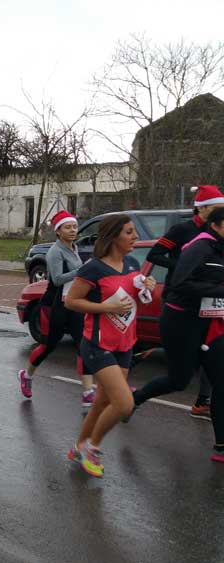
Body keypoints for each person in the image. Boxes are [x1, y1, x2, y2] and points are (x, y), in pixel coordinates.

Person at [63, 214, 156, 477]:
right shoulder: (94, 268)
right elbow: (71, 301)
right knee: (125, 405)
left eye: (134, 232)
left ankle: (78, 445)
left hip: (125, 344)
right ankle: (93, 447)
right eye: (129, 232)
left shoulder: (131, 264)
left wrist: (145, 286)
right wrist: (106, 307)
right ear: (114, 236)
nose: (135, 237)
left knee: (103, 401)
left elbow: (136, 298)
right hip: (97, 344)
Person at [133, 185, 224, 420]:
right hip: (179, 297)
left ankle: (203, 401)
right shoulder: (182, 230)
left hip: (209, 304)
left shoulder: (217, 235)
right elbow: (154, 255)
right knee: (181, 373)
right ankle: (151, 362)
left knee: (212, 360)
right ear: (202, 208)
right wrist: (184, 266)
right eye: (217, 208)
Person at [18, 211, 94, 405]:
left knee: (82, 344)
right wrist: (82, 270)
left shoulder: (74, 247)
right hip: (54, 305)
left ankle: (87, 391)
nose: (73, 230)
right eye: (68, 227)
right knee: (48, 346)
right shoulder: (55, 251)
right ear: (58, 231)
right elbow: (58, 278)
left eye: (75, 227)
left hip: (73, 303)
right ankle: (27, 375)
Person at [168, 207, 224, 461]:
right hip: (186, 320)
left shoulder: (220, 247)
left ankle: (221, 446)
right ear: (218, 224)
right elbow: (180, 283)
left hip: (213, 324)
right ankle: (135, 398)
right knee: (179, 380)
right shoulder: (200, 247)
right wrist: (218, 290)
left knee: (220, 382)